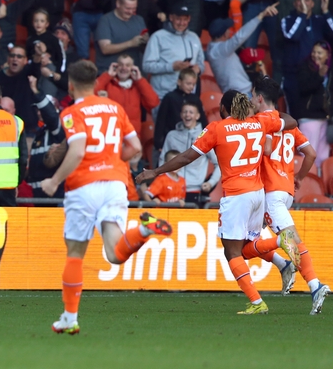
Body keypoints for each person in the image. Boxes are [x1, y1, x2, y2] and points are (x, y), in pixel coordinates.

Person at [136, 90, 299, 315]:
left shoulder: (217, 128)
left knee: (232, 254)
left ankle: (257, 300)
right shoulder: (259, 121)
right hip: (257, 194)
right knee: (245, 248)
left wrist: (155, 171)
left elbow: (186, 157)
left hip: (235, 196)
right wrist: (271, 112)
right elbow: (291, 122)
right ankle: (279, 251)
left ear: (223, 109)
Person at [39, 60, 173, 334]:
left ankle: (69, 317)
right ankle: (144, 229)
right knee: (115, 253)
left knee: (75, 254)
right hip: (115, 183)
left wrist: (54, 181)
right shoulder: (116, 108)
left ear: (71, 85)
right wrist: (112, 161)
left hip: (83, 187)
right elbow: (135, 147)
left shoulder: (71, 112)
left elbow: (76, 151)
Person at [250, 75, 329, 314]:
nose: (251, 99)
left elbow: (267, 149)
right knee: (247, 241)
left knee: (291, 240)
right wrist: (299, 178)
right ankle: (283, 264)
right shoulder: (289, 125)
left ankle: (315, 285)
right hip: (284, 191)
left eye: (253, 95)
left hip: (271, 192)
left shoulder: (259, 122)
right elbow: (312, 155)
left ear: (260, 97)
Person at [207, 3, 279, 95]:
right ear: (225, 34)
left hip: (238, 94)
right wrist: (260, 16)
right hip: (240, 95)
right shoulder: (220, 50)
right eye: (228, 29)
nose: (230, 30)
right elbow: (239, 37)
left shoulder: (212, 48)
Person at [159, 101, 220, 205]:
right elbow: (162, 162)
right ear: (181, 115)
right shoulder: (172, 136)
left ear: (197, 116)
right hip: (172, 190)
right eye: (185, 112)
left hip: (195, 191)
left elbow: (219, 164)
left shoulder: (205, 137)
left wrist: (211, 183)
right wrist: (165, 181)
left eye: (191, 112)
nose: (187, 115)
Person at [142, 5, 204, 100]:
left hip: (189, 94)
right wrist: (171, 67)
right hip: (164, 94)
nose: (181, 23)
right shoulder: (158, 37)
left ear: (189, 19)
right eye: (178, 19)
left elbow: (201, 64)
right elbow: (147, 66)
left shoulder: (194, 37)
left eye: (185, 19)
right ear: (171, 18)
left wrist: (198, 69)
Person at [95, 54, 159, 139]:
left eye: (128, 65)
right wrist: (108, 75)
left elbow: (153, 102)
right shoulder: (107, 83)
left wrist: (140, 80)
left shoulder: (138, 86)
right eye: (120, 65)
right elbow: (90, 93)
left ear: (133, 68)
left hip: (132, 135)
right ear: (115, 66)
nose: (124, 68)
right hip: (110, 135)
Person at [294, 41, 332, 167]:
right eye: (314, 52)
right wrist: (319, 75)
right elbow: (304, 88)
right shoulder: (305, 66)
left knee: (322, 157)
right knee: (309, 156)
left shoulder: (330, 70)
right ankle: (304, 185)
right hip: (309, 117)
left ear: (327, 55)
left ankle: (319, 185)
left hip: (324, 117)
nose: (316, 55)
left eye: (320, 53)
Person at [153, 68, 206, 152]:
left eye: (193, 84)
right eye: (188, 84)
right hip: (172, 140)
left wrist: (206, 138)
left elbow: (203, 121)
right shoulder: (169, 97)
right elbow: (161, 121)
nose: (191, 87)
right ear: (179, 82)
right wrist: (159, 143)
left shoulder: (195, 99)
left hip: (191, 141)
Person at [94, 0, 148, 74]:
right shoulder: (105, 21)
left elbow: (144, 48)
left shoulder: (139, 20)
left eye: (134, 8)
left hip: (134, 72)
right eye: (127, 8)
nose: (131, 12)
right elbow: (105, 49)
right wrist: (130, 43)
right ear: (118, 4)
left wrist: (145, 41)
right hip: (111, 73)